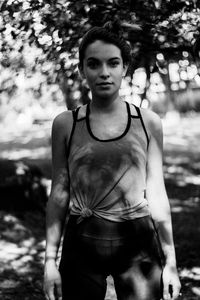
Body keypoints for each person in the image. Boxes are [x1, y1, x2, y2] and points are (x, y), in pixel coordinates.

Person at [43, 21, 181, 300]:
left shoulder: (148, 122)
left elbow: (156, 191)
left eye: (113, 63)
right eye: (93, 64)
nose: (104, 72)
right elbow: (59, 192)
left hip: (138, 243)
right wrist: (49, 261)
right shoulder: (65, 124)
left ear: (124, 68)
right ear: (82, 70)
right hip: (82, 243)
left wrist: (171, 262)